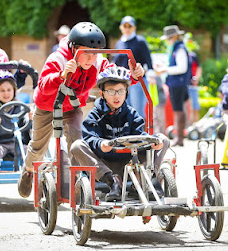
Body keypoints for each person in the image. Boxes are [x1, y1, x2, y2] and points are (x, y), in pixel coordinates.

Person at [17, 22, 145, 198]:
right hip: (48, 106)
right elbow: (43, 85)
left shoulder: (97, 61)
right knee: (38, 147)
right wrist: (61, 75)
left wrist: (133, 75)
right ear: (74, 48)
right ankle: (29, 170)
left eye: (95, 53)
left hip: (72, 106)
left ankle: (78, 182)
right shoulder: (59, 58)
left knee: (77, 143)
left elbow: (114, 76)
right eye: (86, 53)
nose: (91, 58)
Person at [70, 66, 170, 201]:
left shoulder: (131, 113)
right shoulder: (95, 115)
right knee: (77, 145)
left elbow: (140, 136)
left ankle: (148, 179)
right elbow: (89, 138)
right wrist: (101, 143)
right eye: (111, 91)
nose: (116, 96)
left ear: (126, 93)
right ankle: (113, 182)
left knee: (162, 139)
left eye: (121, 91)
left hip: (131, 164)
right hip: (106, 166)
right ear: (102, 94)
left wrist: (153, 144)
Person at [0, 71, 33, 197]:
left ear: (14, 91)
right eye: (2, 90)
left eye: (9, 90)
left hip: (19, 142)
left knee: (32, 152)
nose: (6, 93)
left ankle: (34, 178)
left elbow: (26, 125)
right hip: (0, 143)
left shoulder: (20, 107)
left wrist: (30, 119)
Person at [156, 25, 191, 146]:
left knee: (178, 110)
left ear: (175, 36)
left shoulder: (179, 48)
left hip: (178, 83)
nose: (168, 40)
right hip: (177, 83)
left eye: (169, 38)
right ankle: (180, 136)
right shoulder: (176, 48)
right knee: (179, 110)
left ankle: (179, 137)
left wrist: (164, 69)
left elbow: (182, 68)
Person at [112, 16, 153, 119]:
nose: (127, 28)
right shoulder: (119, 43)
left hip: (137, 81)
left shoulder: (140, 41)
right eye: (125, 26)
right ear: (121, 27)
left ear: (134, 27)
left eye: (129, 26)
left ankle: (139, 134)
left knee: (137, 111)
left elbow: (148, 60)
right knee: (124, 110)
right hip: (122, 81)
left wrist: (151, 74)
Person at [187, 51, 202, 125]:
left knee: (195, 107)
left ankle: (195, 125)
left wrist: (197, 78)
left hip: (192, 86)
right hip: (183, 86)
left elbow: (199, 67)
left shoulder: (192, 55)